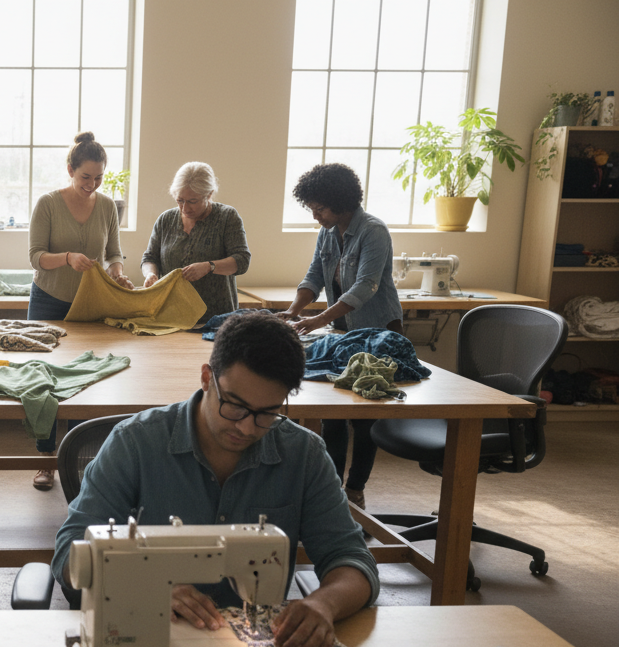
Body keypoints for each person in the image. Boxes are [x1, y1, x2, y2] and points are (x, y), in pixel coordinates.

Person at [50, 313, 378, 647]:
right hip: (146, 639)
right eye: (235, 406)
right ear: (207, 378)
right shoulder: (135, 444)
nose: (247, 428)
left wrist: (323, 604)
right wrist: (144, 587)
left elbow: (352, 560)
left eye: (267, 413)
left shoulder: (303, 454)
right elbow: (70, 553)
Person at [277, 163, 404, 511]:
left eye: (320, 209)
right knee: (332, 415)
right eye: (311, 209)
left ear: (341, 202)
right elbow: (314, 276)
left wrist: (318, 320)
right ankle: (332, 491)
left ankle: (356, 489)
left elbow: (365, 287)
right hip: (343, 332)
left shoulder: (373, 232)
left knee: (364, 420)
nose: (315, 216)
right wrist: (293, 310)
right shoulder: (328, 232)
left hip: (377, 333)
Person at [27, 131, 133, 491]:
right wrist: (68, 258)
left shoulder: (106, 206)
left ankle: (75, 459)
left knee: (84, 379)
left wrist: (117, 273)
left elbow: (114, 252)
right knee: (44, 381)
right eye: (86, 176)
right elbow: (35, 257)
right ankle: (45, 460)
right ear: (70, 169)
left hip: (90, 304)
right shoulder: (48, 204)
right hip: (48, 300)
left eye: (99, 177)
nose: (92, 184)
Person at [141, 161, 251, 323]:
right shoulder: (166, 220)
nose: (185, 208)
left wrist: (209, 266)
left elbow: (242, 261)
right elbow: (150, 258)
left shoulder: (227, 217)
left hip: (215, 318)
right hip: (170, 315)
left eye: (193, 201)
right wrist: (151, 274)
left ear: (209, 195)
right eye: (180, 200)